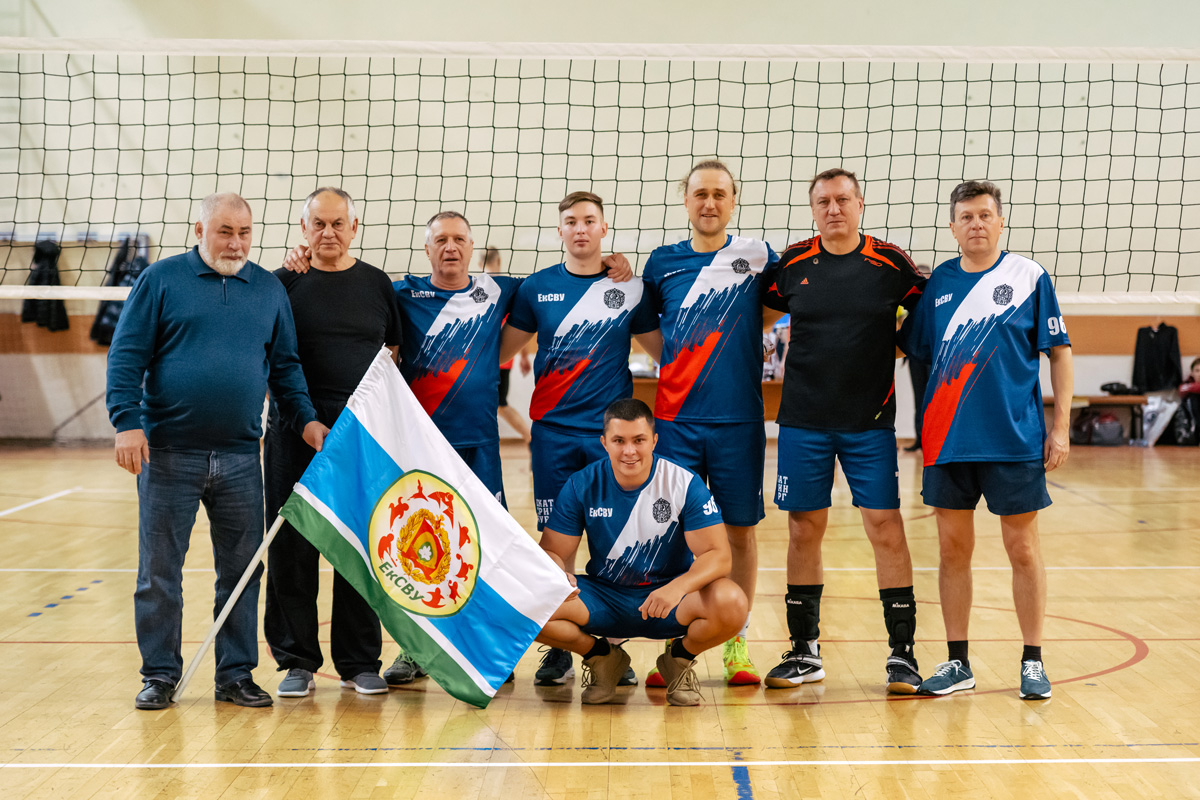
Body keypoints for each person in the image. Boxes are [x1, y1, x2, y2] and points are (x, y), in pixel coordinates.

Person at [107, 192, 327, 711]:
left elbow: (286, 367)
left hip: (240, 457)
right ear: (200, 230)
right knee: (159, 573)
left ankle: (235, 674)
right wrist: (126, 423)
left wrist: (306, 420)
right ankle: (160, 675)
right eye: (225, 231)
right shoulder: (160, 280)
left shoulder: (269, 289)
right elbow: (126, 354)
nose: (235, 243)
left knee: (243, 572)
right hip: (168, 453)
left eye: (244, 232)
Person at [902, 180, 1073, 700]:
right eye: (966, 217)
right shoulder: (938, 284)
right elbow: (912, 351)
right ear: (953, 228)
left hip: (1014, 440)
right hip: (947, 441)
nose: (976, 224)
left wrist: (1061, 427)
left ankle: (1033, 661)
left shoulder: (1029, 276)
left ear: (1001, 222)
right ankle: (958, 662)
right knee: (953, 551)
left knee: (1022, 549)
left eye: (984, 215)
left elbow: (1060, 352)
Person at [763, 168, 927, 694]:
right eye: (823, 202)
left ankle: (902, 654)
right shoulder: (791, 264)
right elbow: (759, 312)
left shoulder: (890, 262)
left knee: (885, 527)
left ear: (860, 204)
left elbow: (927, 312)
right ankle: (804, 650)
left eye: (842, 200)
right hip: (803, 422)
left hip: (869, 423)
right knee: (803, 529)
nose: (833, 209)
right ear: (813, 209)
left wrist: (895, 345)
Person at [499, 191, 659, 686]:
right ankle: (562, 649)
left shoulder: (630, 288)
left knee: (614, 540)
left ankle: (612, 645)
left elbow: (664, 351)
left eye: (590, 220)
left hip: (610, 438)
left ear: (604, 229)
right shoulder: (536, 288)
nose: (581, 229)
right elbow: (498, 351)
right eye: (571, 221)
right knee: (556, 540)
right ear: (561, 231)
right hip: (552, 432)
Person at [638, 159, 782, 687]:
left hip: (739, 420)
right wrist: (681, 360)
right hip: (676, 420)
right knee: (675, 534)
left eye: (720, 193)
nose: (710, 202)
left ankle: (736, 639)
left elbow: (769, 312)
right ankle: (678, 644)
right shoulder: (662, 262)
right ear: (686, 199)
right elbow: (648, 329)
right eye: (701, 193)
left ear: (733, 200)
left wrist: (736, 338)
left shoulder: (759, 256)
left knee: (740, 532)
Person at [264, 188, 402, 698]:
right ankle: (296, 661)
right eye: (318, 224)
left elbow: (393, 351)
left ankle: (359, 662)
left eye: (337, 223)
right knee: (291, 546)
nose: (328, 232)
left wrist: (369, 416)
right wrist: (303, 419)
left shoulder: (376, 284)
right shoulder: (283, 284)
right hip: (293, 431)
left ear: (354, 227)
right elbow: (271, 360)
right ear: (304, 229)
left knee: (361, 545)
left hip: (360, 435)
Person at [534, 398, 748, 706]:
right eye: (619, 441)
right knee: (525, 601)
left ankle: (678, 660)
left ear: (654, 440)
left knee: (732, 602)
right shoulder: (582, 483)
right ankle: (601, 659)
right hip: (604, 598)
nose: (629, 451)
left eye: (639, 440)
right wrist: (557, 573)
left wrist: (678, 587)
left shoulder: (683, 482)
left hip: (670, 599)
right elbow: (552, 551)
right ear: (604, 442)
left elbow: (719, 555)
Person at [482, 247, 533, 445]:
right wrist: (523, 355)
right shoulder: (509, 287)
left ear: (479, 263)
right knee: (495, 405)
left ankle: (530, 438)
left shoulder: (478, 286)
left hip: (488, 357)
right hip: (503, 357)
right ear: (499, 260)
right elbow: (519, 323)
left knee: (500, 405)